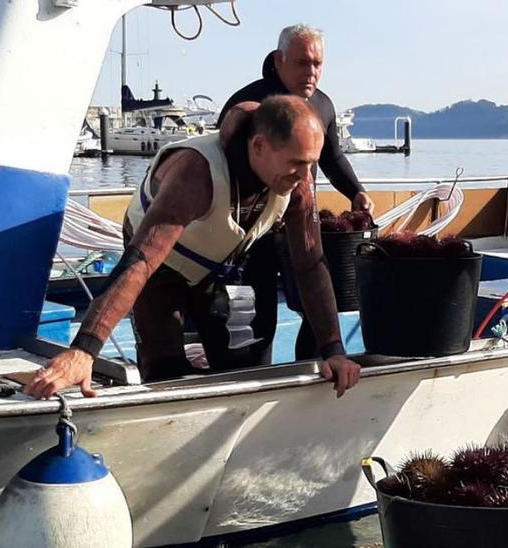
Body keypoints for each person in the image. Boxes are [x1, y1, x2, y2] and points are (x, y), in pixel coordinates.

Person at [26, 96, 362, 400]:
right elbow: (140, 262)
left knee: (240, 368)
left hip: (220, 264)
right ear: (259, 146)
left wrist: (333, 349)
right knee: (166, 372)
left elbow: (309, 263)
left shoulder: (297, 179)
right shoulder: (196, 174)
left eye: (311, 164)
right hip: (159, 268)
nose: (305, 175)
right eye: (297, 162)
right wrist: (85, 350)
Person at [221, 24, 372, 360]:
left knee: (316, 299)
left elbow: (332, 156)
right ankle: (253, 376)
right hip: (252, 228)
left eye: (318, 64)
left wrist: (356, 191)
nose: (312, 72)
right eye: (303, 63)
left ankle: (310, 370)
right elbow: (224, 167)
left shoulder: (323, 105)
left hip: (297, 218)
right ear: (279, 60)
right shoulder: (249, 106)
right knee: (256, 319)